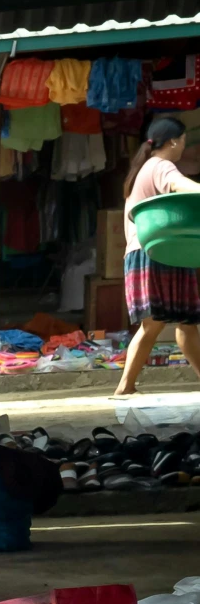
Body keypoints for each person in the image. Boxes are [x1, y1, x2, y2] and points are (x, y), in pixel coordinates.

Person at [116, 116, 200, 399]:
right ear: (174, 141)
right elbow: (178, 185)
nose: (184, 146)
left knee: (187, 323)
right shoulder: (160, 165)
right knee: (153, 324)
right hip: (154, 251)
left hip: (166, 250)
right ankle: (124, 387)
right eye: (184, 140)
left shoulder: (144, 168)